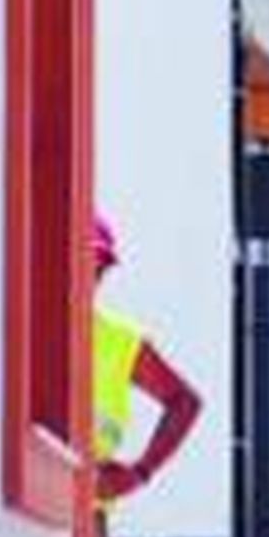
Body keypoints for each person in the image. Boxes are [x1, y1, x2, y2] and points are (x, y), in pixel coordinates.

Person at [92, 214, 202, 504]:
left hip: (90, 512)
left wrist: (140, 472)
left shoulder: (120, 340)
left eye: (98, 268)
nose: (92, 276)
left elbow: (185, 401)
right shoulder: (27, 327)